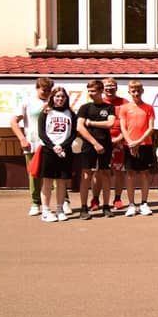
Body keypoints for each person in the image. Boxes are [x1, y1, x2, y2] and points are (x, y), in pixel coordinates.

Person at [11, 76, 54, 216]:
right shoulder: (27, 102)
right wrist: (22, 139)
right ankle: (35, 203)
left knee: (56, 173)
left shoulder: (55, 101)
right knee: (34, 174)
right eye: (44, 90)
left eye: (49, 90)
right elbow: (13, 121)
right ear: (37, 88)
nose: (46, 93)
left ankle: (63, 201)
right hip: (33, 142)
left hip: (52, 144)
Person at [76, 79, 116, 220]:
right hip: (89, 145)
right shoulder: (84, 108)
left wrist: (91, 123)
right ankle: (83, 207)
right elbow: (80, 127)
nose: (90, 93)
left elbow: (110, 123)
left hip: (106, 145)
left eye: (93, 91)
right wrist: (95, 143)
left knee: (105, 174)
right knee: (86, 175)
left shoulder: (109, 107)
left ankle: (106, 206)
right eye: (89, 91)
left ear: (100, 91)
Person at [36, 86, 76, 222]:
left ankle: (59, 209)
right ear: (52, 97)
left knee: (61, 182)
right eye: (57, 96)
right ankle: (45, 211)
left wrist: (62, 146)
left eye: (63, 96)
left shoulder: (71, 114)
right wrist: (53, 146)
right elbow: (42, 133)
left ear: (66, 98)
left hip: (65, 150)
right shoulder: (46, 112)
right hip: (48, 150)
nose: (60, 99)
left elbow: (73, 133)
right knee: (47, 181)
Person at [119, 80, 156, 217]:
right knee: (130, 174)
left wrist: (138, 142)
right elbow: (123, 127)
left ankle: (144, 203)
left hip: (145, 145)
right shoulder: (124, 108)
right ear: (129, 92)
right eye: (133, 91)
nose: (136, 94)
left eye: (138, 91)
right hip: (129, 145)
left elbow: (151, 128)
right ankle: (131, 205)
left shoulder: (149, 108)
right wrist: (130, 143)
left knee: (145, 173)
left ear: (142, 91)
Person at [101, 78, 129, 210]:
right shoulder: (98, 103)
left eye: (112, 86)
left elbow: (129, 124)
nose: (109, 88)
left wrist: (119, 138)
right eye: (107, 86)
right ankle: (96, 199)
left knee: (119, 172)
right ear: (103, 88)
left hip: (120, 142)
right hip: (102, 142)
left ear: (116, 88)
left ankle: (117, 198)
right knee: (100, 172)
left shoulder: (125, 103)